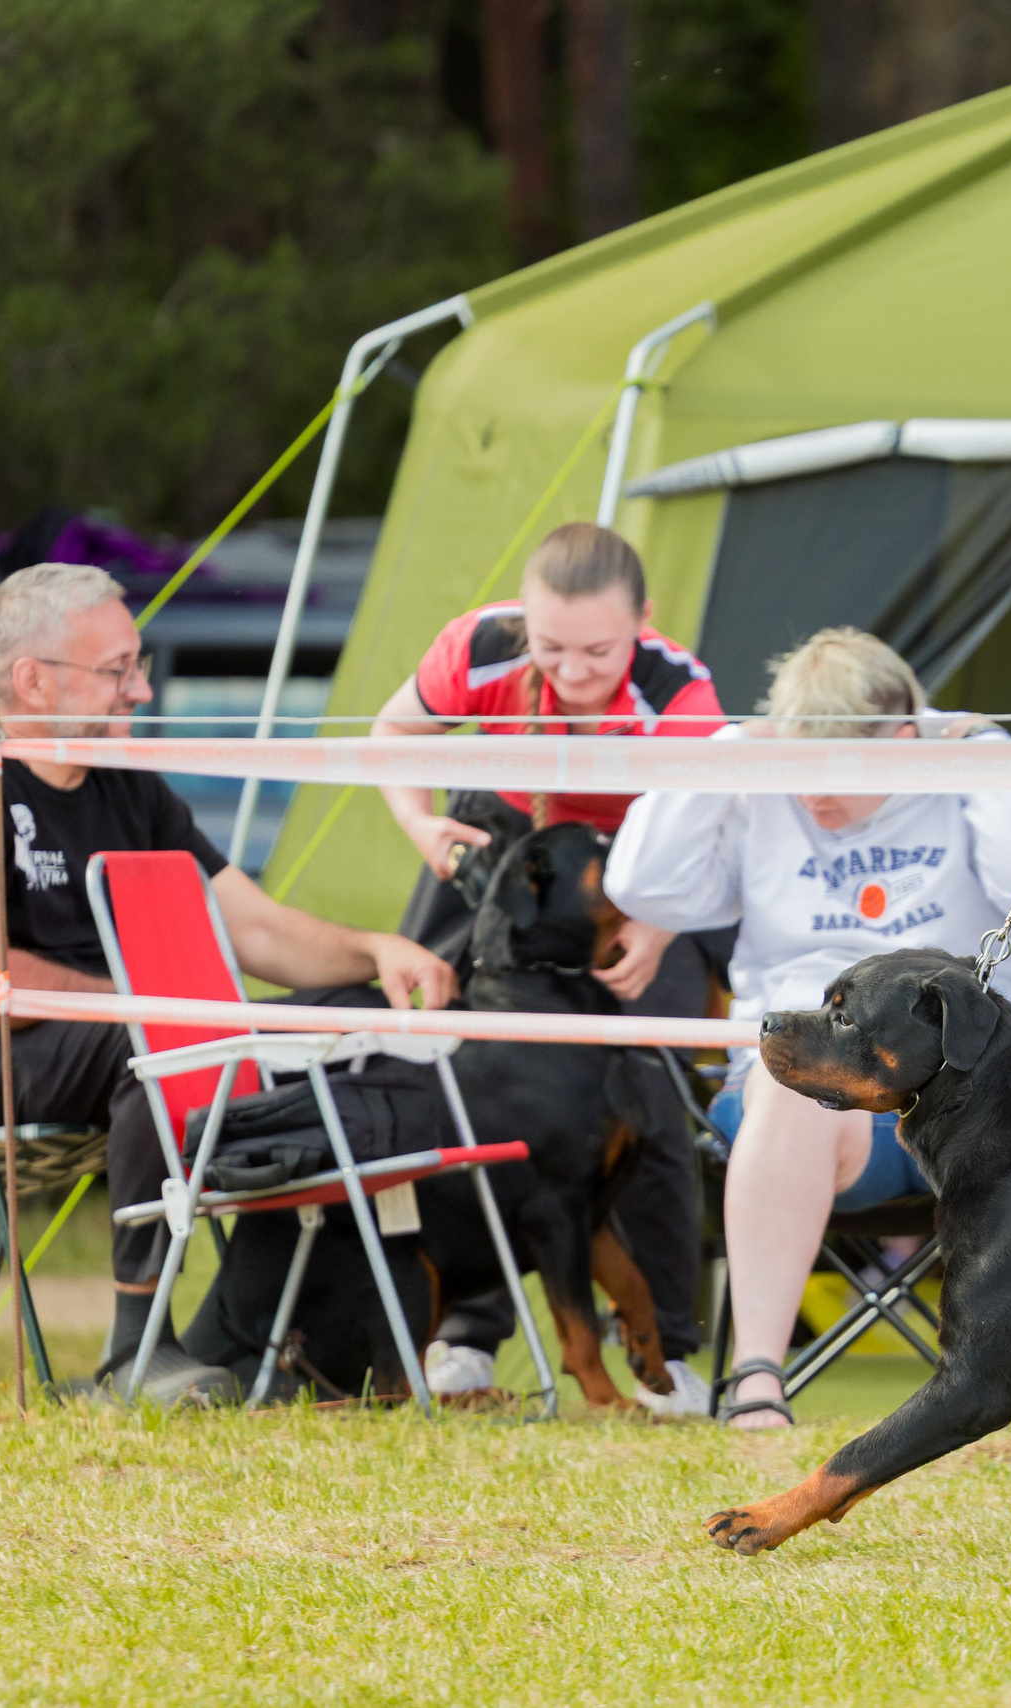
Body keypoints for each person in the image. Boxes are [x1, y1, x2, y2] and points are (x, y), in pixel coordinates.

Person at [0, 564, 457, 1402]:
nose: (142, 689)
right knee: (154, 1037)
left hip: (140, 1034)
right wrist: (159, 1005)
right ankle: (136, 1354)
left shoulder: (127, 777)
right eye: (119, 669)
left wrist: (376, 952)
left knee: (357, 1021)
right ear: (32, 680)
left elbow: (252, 927)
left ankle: (292, 1340)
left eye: (138, 666)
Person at [604, 628, 1011, 1429]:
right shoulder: (762, 790)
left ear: (904, 740)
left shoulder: (956, 774)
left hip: (974, 1105)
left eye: (838, 769)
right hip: (815, 1105)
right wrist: (725, 754)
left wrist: (983, 757)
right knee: (794, 1084)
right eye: (798, 766)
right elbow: (644, 888)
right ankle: (759, 1377)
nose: (814, 794)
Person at [370, 521, 727, 1410]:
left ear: (642, 622)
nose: (571, 672)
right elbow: (391, 732)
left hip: (634, 866)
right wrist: (419, 826)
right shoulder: (477, 649)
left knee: (647, 1087)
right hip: (501, 842)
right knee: (459, 1074)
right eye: (550, 647)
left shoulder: (679, 695)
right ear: (521, 622)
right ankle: (466, 1336)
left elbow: (717, 821)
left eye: (598, 650)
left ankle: (664, 1350)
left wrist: (654, 919)